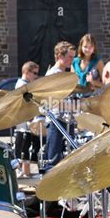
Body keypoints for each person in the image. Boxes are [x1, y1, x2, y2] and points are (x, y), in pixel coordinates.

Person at [44, 41, 77, 169]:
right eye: (70, 57)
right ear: (59, 56)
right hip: (56, 120)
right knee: (53, 160)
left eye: (73, 57)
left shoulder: (64, 73)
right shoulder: (54, 74)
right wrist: (74, 107)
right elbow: (53, 100)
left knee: (66, 159)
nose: (72, 60)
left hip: (65, 119)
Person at [13, 61, 40, 178]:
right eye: (34, 73)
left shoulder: (25, 85)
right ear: (27, 72)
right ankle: (23, 172)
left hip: (25, 121)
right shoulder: (21, 86)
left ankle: (26, 172)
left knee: (26, 146)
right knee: (24, 146)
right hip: (22, 121)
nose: (36, 76)